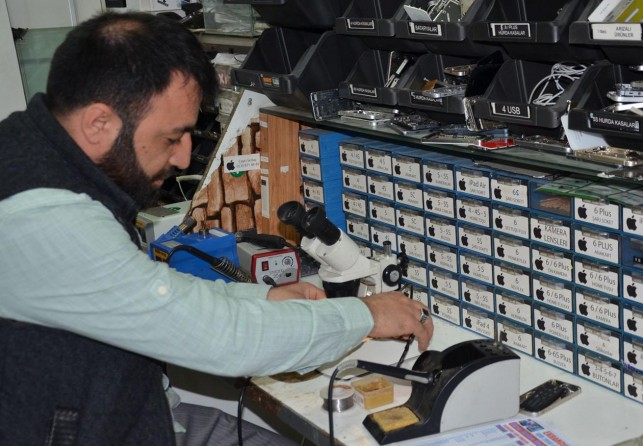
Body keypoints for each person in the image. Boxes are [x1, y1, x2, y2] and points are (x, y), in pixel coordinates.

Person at [0, 11, 433, 446]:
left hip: (133, 413)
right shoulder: (43, 217)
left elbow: (154, 293)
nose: (182, 158)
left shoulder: (36, 159)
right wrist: (366, 316)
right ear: (99, 123)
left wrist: (264, 297)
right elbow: (223, 336)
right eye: (172, 137)